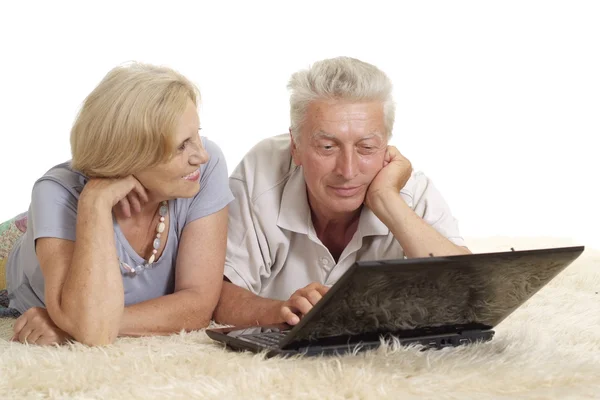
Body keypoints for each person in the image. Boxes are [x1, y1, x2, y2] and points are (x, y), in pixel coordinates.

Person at [214, 56, 470, 327]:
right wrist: (282, 311)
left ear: (386, 146)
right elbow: (217, 293)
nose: (347, 171)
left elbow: (469, 292)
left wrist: (386, 200)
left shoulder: (408, 190)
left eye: (367, 147)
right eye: (327, 147)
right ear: (296, 146)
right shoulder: (261, 172)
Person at [5, 62, 233, 345]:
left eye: (197, 134)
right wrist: (94, 202)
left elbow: (198, 305)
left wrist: (75, 323)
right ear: (131, 155)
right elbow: (95, 331)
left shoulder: (203, 170)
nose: (201, 155)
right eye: (181, 145)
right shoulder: (57, 193)